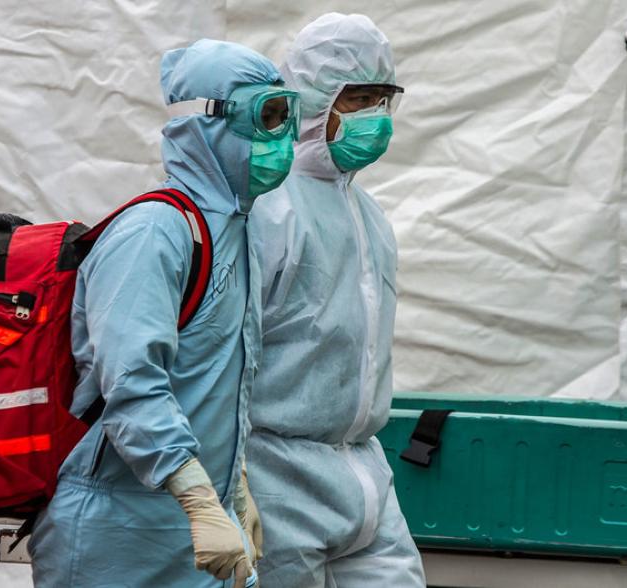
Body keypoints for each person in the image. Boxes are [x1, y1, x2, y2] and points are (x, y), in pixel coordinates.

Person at [28, 39, 299, 588]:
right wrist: (200, 500)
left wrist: (234, 484)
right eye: (266, 117)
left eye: (287, 115)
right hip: (119, 536)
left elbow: (216, 383)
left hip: (186, 532)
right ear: (211, 123)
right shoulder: (154, 231)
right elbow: (133, 384)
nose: (283, 139)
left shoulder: (236, 231)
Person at [247, 13, 426, 587]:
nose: (376, 116)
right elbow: (227, 353)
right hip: (275, 474)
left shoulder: (368, 215)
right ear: (313, 100)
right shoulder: (265, 208)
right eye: (359, 98)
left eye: (383, 98)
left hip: (363, 470)